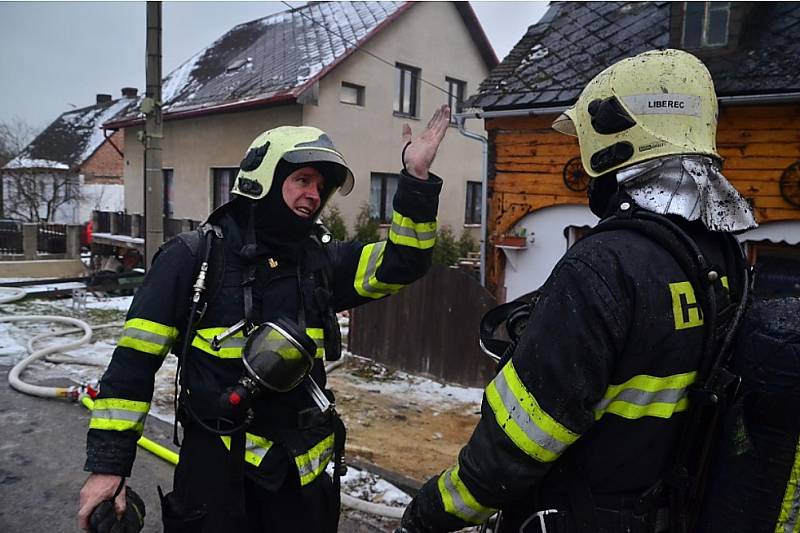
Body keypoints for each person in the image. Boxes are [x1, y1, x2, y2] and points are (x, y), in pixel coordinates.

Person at [399, 49, 758, 533]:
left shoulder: (605, 266)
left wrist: (427, 515)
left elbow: (516, 447)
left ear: (616, 141)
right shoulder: (724, 257)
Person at [79, 105, 451, 533]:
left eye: (321, 185)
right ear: (265, 180)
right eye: (302, 180)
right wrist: (109, 469)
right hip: (218, 484)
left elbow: (404, 260)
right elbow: (132, 368)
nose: (313, 194)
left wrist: (416, 180)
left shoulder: (322, 263)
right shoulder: (193, 259)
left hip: (302, 490)